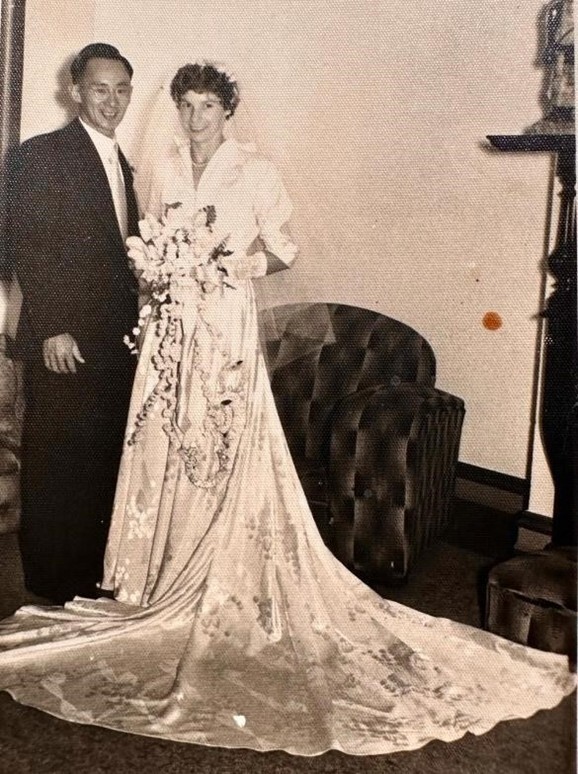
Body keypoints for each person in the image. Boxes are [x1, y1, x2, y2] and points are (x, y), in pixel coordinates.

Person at [0, 61, 574, 758]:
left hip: (225, 324)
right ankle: (157, 571)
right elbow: (131, 249)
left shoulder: (255, 170)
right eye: (186, 104)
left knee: (221, 443)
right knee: (164, 445)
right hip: (170, 330)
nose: (195, 117)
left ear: (229, 110)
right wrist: (162, 272)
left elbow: (285, 247)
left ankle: (216, 573)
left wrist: (229, 266)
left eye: (208, 105)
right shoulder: (161, 166)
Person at [6, 43, 139, 603]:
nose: (111, 101)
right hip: (65, 337)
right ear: (76, 92)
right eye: (100, 89)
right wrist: (54, 326)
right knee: (58, 455)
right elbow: (25, 241)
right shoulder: (43, 153)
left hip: (114, 339)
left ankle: (86, 573)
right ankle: (51, 581)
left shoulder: (122, 163)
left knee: (99, 453)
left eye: (121, 89)